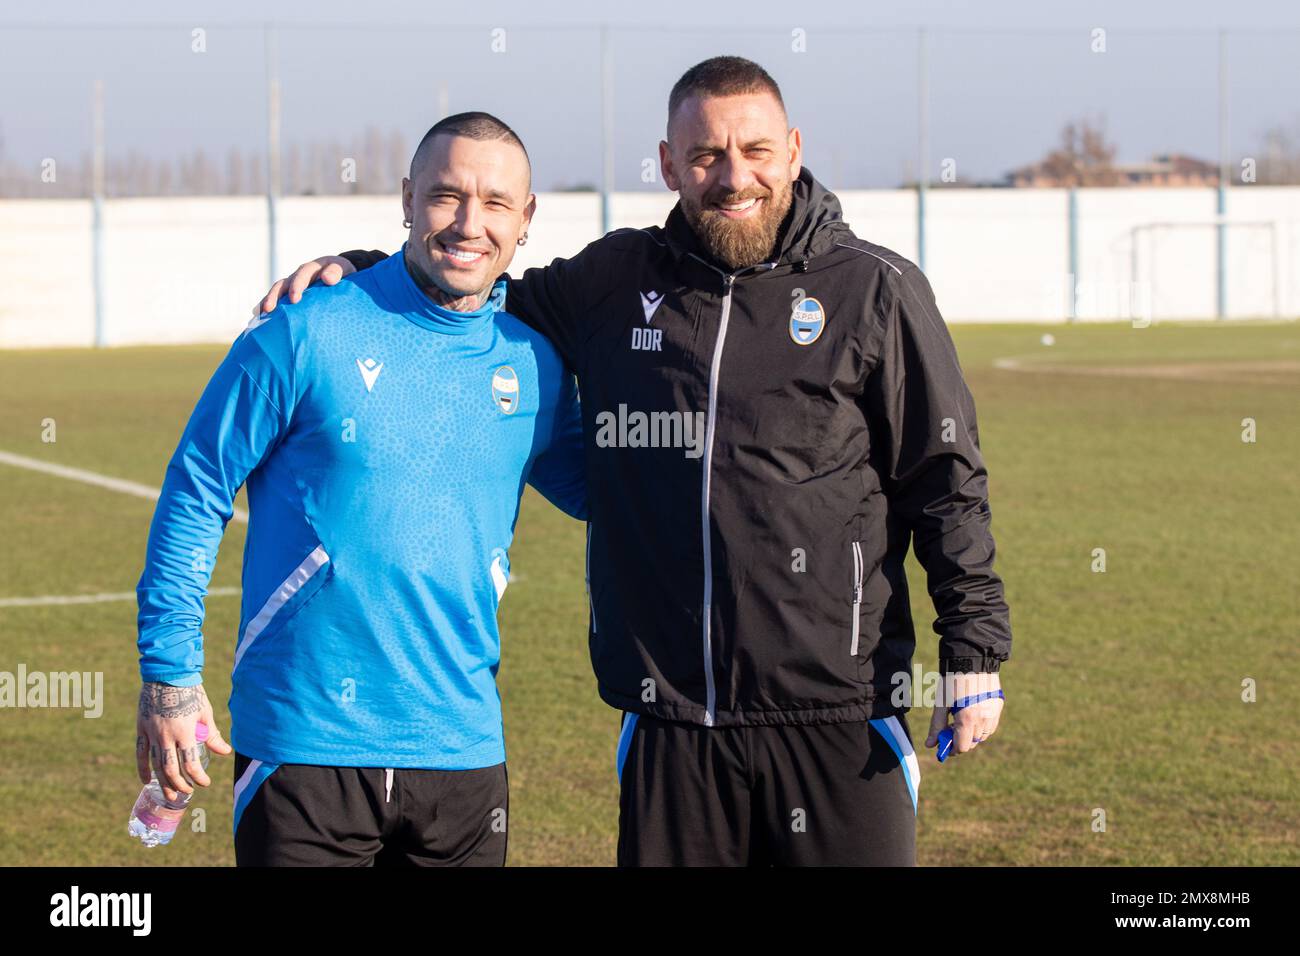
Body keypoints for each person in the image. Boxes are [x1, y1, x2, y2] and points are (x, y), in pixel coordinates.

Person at [257, 56, 1012, 866]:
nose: (733, 177)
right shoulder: (616, 279)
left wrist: (974, 650)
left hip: (841, 714)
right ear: (667, 164)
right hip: (669, 720)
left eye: (755, 151)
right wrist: (367, 266)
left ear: (793, 150)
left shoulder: (876, 290)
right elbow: (479, 286)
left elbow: (944, 480)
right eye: (705, 156)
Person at [135, 111, 586, 866]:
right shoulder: (302, 329)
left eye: (497, 203)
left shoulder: (535, 364)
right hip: (304, 750)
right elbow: (197, 486)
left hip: (463, 753)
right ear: (407, 198)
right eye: (446, 196)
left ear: (526, 219)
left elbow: (618, 495)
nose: (469, 223)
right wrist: (170, 676)